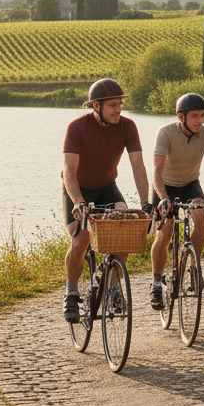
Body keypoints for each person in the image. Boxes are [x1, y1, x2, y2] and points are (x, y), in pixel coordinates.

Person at [61, 78, 151, 323]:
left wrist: (146, 203)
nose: (118, 109)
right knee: (80, 239)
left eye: (120, 104)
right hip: (77, 189)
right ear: (96, 106)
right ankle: (71, 292)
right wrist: (79, 202)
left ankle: (111, 283)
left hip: (106, 187)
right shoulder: (77, 127)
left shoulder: (128, 127)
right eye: (113, 105)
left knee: (124, 225)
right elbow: (69, 171)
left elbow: (138, 166)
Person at [149, 92, 204, 310]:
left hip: (190, 183)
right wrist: (163, 199)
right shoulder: (165, 133)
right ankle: (156, 282)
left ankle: (193, 265)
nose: (199, 121)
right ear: (180, 117)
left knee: (201, 215)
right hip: (164, 185)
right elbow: (156, 171)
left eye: (202, 115)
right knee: (165, 229)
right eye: (194, 116)